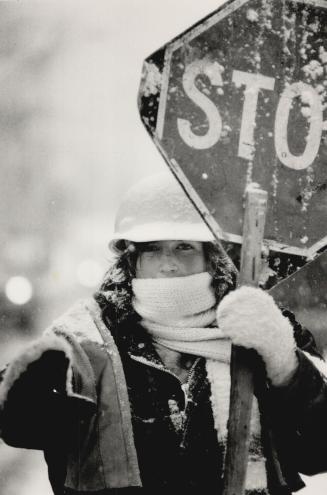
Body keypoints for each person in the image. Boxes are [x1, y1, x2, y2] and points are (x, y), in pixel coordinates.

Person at [1, 172, 327, 495]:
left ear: (211, 257)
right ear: (132, 260)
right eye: (153, 248)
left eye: (183, 247)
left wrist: (287, 366)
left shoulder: (261, 325)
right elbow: (20, 424)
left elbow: (317, 452)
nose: (168, 264)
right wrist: (31, 399)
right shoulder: (83, 336)